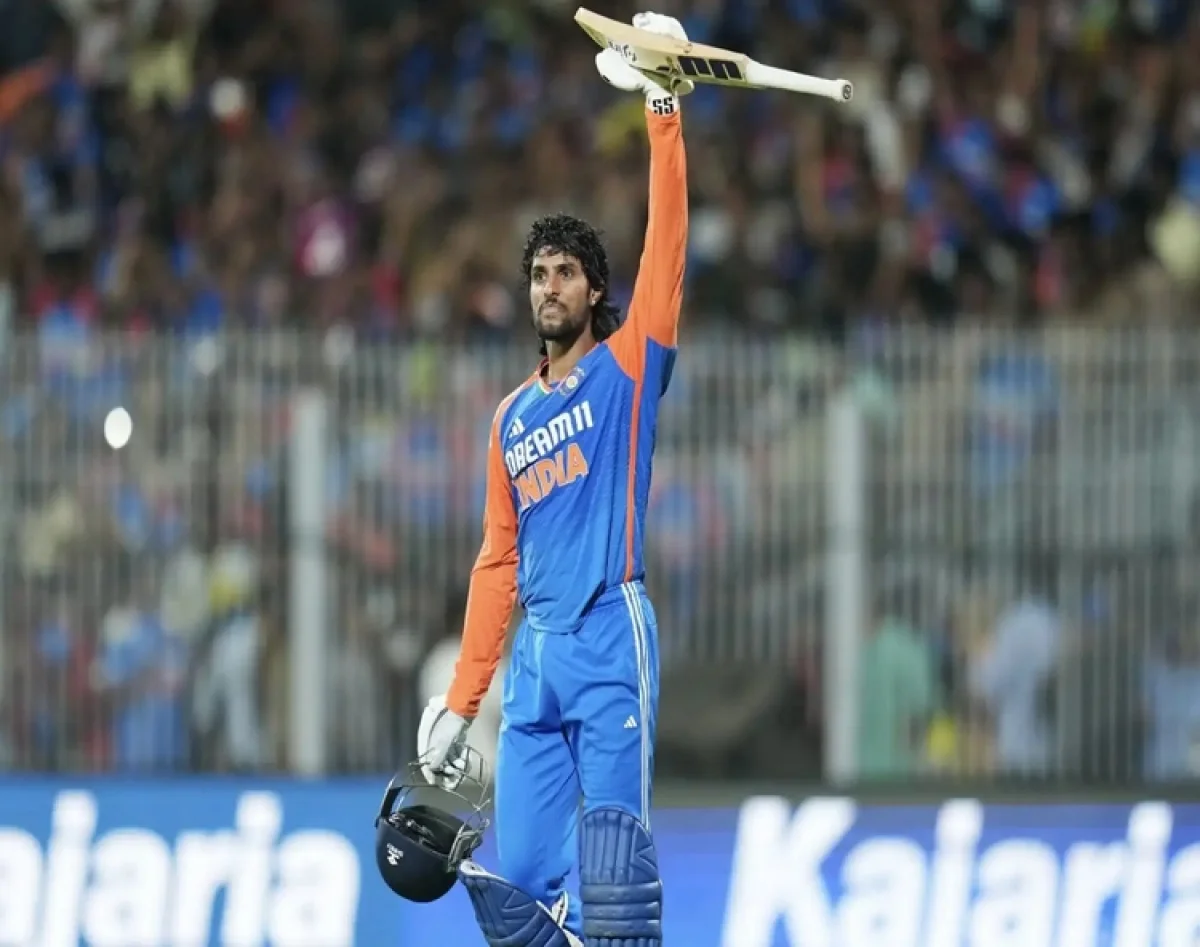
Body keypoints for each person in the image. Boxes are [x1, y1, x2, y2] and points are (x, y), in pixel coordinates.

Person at [416, 13, 691, 947]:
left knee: (616, 879)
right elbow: (497, 563)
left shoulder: (628, 368)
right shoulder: (508, 419)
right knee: (524, 893)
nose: (549, 287)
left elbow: (668, 252)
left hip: (611, 634)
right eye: (539, 273)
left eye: (566, 273)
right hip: (535, 663)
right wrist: (463, 703)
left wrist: (663, 111)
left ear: (595, 290)